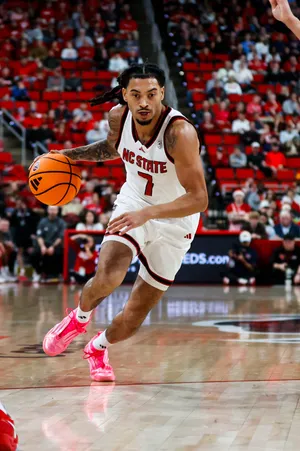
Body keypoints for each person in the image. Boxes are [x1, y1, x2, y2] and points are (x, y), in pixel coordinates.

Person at [41, 63, 208, 381]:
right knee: (109, 275)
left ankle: (97, 348)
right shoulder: (118, 117)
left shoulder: (179, 133)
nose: (144, 102)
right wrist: (68, 156)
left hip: (176, 219)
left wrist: (148, 214)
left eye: (150, 94)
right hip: (134, 202)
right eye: (136, 95)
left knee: (132, 318)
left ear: (161, 93)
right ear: (124, 96)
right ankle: (79, 317)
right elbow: (113, 147)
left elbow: (199, 199)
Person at [31, 206, 66, 282]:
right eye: (51, 209)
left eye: (54, 210)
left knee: (61, 252)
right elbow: (39, 236)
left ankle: (56, 273)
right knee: (34, 253)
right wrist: (42, 246)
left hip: (56, 245)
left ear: (57, 211)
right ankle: (37, 272)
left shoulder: (61, 222)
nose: (52, 212)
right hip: (44, 244)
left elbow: (60, 237)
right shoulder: (42, 221)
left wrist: (52, 247)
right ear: (47, 210)